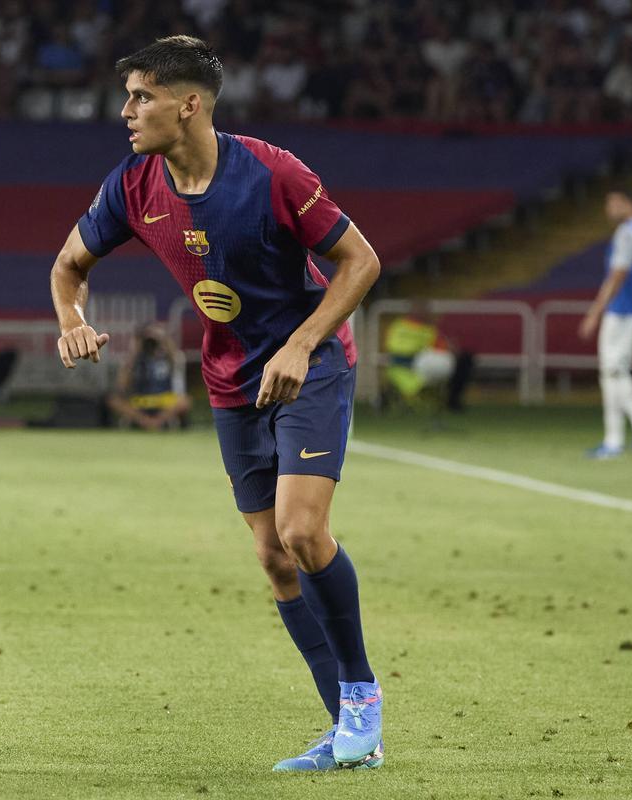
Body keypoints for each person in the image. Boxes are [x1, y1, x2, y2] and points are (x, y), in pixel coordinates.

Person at [50, 36, 383, 772]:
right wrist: (72, 320)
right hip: (232, 379)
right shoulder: (133, 185)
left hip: (310, 365)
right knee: (274, 559)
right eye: (128, 96)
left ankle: (362, 695)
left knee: (302, 532)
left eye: (142, 96)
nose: (127, 111)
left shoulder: (272, 172)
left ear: (188, 104)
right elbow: (69, 265)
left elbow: (361, 261)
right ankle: (349, 733)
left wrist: (301, 344)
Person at [578, 188, 632, 458]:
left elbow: (617, 275)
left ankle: (621, 435)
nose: (609, 209)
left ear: (628, 203)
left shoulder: (627, 233)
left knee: (611, 371)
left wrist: (595, 312)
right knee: (615, 371)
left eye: (613, 203)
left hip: (623, 313)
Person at [383, 300, 474, 413]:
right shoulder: (400, 326)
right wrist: (421, 350)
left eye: (425, 310)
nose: (424, 312)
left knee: (464, 359)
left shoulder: (429, 329)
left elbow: (440, 344)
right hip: (406, 363)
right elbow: (395, 348)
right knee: (446, 362)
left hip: (426, 360)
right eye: (420, 309)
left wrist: (448, 348)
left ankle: (452, 400)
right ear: (412, 311)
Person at [107, 323, 191, 430]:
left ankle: (157, 421)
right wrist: (135, 350)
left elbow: (176, 358)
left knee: (184, 401)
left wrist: (162, 339)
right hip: (141, 399)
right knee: (114, 400)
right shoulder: (134, 359)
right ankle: (145, 421)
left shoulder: (169, 357)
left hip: (163, 399)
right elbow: (122, 386)